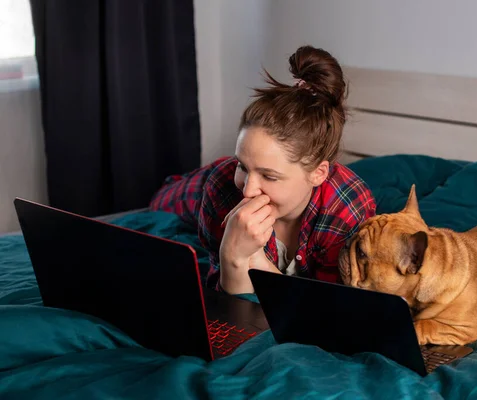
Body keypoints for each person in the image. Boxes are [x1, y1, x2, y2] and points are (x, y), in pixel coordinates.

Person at [149, 45, 376, 294]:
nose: (248, 191)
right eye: (243, 166)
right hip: (199, 183)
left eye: (269, 175)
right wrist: (232, 256)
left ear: (318, 174)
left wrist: (256, 260)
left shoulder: (346, 209)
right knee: (160, 202)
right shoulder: (223, 186)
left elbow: (322, 309)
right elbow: (230, 307)